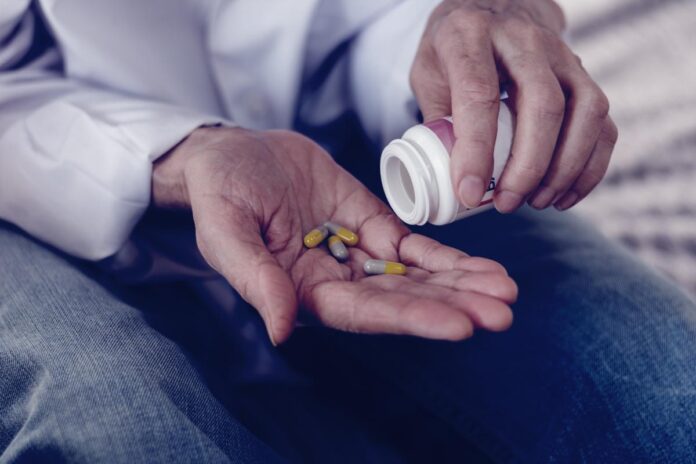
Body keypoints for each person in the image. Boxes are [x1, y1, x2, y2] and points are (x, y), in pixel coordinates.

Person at [0, 0, 694, 462]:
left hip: (351, 146)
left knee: (670, 398)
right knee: (116, 426)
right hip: (30, 194)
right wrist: (180, 155)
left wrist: (449, 24)